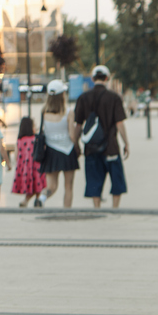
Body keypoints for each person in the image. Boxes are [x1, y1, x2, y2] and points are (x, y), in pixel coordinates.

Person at [72, 65, 130, 208]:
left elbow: (78, 125)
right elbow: (119, 123)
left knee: (93, 180)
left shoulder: (83, 98)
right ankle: (115, 208)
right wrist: (126, 143)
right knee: (117, 179)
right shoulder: (114, 98)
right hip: (111, 146)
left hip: (91, 147)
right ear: (107, 78)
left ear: (92, 79)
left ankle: (97, 207)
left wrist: (76, 145)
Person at [37, 80, 79, 208]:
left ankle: (42, 197)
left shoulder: (44, 112)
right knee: (68, 186)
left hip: (51, 152)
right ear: (62, 95)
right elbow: (72, 135)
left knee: (52, 186)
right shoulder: (68, 112)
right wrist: (77, 147)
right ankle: (66, 211)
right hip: (67, 151)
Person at [11, 117, 46, 207]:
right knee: (38, 185)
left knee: (33, 185)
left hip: (25, 168)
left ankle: (29, 201)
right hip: (37, 166)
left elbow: (16, 156)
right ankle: (34, 201)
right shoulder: (35, 139)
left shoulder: (19, 140)